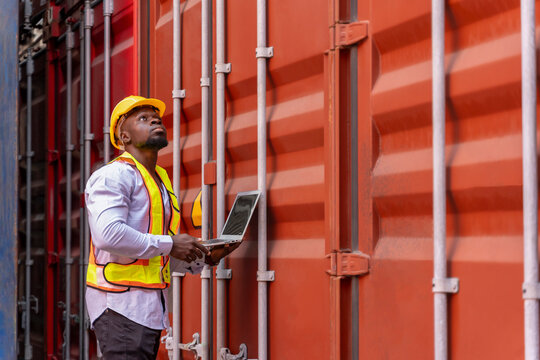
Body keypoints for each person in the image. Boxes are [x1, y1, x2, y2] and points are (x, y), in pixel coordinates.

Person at [85, 95, 235, 359]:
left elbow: (151, 254)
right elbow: (108, 235)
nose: (155, 119)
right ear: (124, 136)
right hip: (121, 308)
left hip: (146, 310)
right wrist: (172, 243)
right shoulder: (113, 175)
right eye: (142, 118)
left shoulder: (160, 180)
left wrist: (199, 257)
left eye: (156, 117)